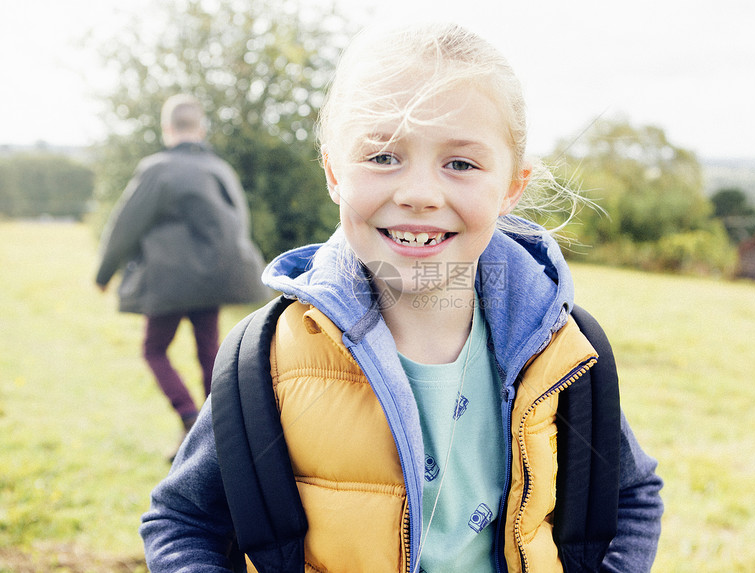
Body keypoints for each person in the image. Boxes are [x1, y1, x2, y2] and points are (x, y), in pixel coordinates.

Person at [140, 24, 663, 572]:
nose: (418, 194)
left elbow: (632, 495)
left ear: (512, 186)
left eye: (460, 163)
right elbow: (183, 519)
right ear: (334, 172)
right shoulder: (268, 357)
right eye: (384, 156)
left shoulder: (561, 351)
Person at [95, 94, 270, 450]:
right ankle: (215, 433)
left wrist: (103, 273)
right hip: (213, 279)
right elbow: (239, 224)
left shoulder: (158, 168)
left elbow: (126, 224)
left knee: (153, 349)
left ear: (167, 129)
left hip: (171, 281)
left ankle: (190, 417)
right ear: (201, 129)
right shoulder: (220, 169)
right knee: (209, 351)